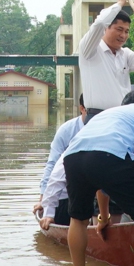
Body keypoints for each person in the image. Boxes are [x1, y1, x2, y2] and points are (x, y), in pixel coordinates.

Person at [61, 88, 134, 266]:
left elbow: (101, 182)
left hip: (73, 156)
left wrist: (104, 217)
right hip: (110, 154)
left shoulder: (109, 114)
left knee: (77, 219)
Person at [78, 0, 134, 119]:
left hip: (123, 116)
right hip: (98, 117)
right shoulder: (89, 50)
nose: (123, 35)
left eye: (126, 31)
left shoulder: (124, 54)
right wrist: (119, 3)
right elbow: (100, 23)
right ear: (107, 28)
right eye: (119, 29)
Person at [32, 95, 88, 224]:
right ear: (82, 109)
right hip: (65, 194)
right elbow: (52, 165)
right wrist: (43, 199)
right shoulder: (67, 131)